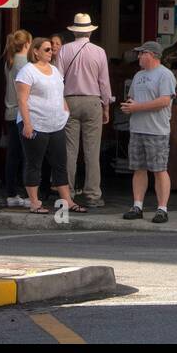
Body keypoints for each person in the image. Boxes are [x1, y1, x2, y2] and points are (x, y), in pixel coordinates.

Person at [15, 38, 83, 215]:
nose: (50, 52)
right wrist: (27, 124)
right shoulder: (27, 71)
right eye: (46, 49)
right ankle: (34, 202)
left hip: (56, 124)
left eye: (51, 50)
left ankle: (67, 200)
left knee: (60, 163)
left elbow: (59, 93)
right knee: (34, 164)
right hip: (36, 124)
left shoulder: (54, 70)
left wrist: (65, 111)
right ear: (35, 51)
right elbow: (22, 100)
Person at [56, 13, 113, 209]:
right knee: (92, 151)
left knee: (69, 151)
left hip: (69, 100)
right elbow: (104, 83)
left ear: (74, 31)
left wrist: (59, 102)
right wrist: (106, 106)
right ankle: (93, 194)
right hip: (92, 101)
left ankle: (68, 192)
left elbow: (57, 80)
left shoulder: (64, 50)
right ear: (89, 31)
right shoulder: (99, 52)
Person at [120, 41, 177, 223]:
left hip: (157, 130)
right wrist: (129, 106)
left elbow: (164, 101)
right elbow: (132, 98)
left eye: (141, 53)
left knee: (160, 169)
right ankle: (137, 205)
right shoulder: (138, 75)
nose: (138, 57)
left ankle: (162, 208)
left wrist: (137, 107)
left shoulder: (165, 75)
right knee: (138, 168)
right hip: (137, 128)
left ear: (152, 55)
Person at [3, 29, 32, 208]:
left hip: (10, 111)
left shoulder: (10, 61)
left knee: (13, 155)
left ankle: (11, 192)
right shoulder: (24, 64)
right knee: (27, 156)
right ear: (28, 44)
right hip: (21, 113)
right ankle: (23, 192)